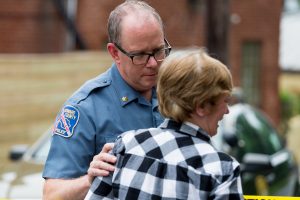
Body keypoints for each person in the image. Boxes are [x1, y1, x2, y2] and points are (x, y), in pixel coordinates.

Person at [42, 1, 171, 199]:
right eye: (140, 55)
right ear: (114, 53)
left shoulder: (176, 94)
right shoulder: (85, 108)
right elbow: (52, 195)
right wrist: (90, 180)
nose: (153, 63)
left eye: (159, 50)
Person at [85, 48, 244, 200]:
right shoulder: (220, 169)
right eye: (225, 101)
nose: (227, 111)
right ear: (201, 106)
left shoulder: (124, 146)